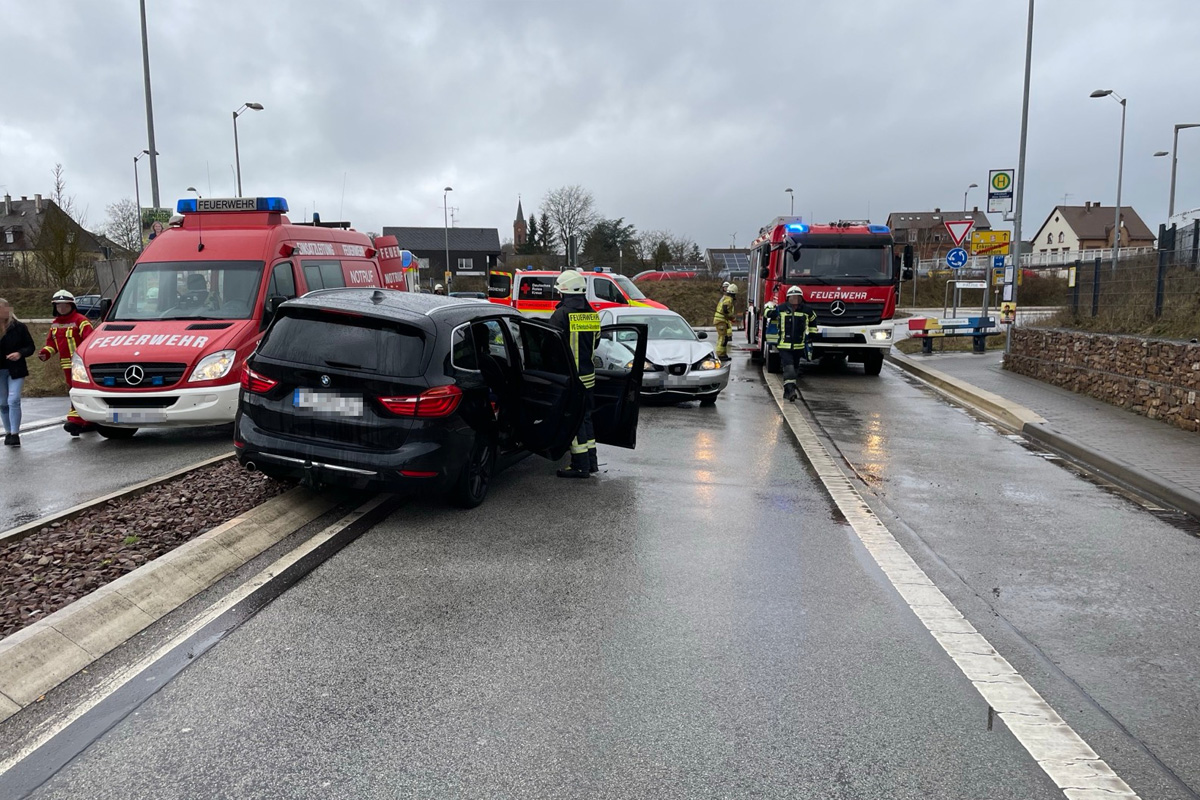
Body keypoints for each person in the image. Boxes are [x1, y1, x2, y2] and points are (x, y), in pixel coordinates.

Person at [549, 269, 600, 478]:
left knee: (574, 421)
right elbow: (596, 342)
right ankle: (591, 461)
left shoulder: (561, 315)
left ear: (565, 291)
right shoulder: (592, 314)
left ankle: (580, 465)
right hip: (588, 378)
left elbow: (550, 347)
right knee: (585, 419)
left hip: (569, 379)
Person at [37, 290, 96, 436]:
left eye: (64, 305)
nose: (61, 308)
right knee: (72, 390)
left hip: (80, 364)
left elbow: (90, 341)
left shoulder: (81, 321)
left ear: (71, 305)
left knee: (78, 390)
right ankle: (86, 420)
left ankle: (76, 420)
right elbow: (52, 343)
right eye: (58, 306)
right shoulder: (55, 324)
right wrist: (45, 353)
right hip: (66, 364)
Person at [767, 285, 818, 402]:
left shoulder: (806, 310)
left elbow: (813, 320)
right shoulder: (781, 309)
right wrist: (768, 307)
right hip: (784, 346)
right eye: (792, 298)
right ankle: (791, 391)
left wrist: (812, 334)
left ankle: (787, 390)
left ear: (801, 298)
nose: (795, 301)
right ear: (788, 298)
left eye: (797, 298)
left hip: (799, 346)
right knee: (789, 367)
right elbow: (768, 314)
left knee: (794, 369)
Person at [0, 297, 36, 447]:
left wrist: (20, 353)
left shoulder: (19, 327)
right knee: (2, 403)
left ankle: (15, 433)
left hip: (16, 368)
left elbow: (30, 346)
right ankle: (8, 432)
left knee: (13, 400)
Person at [713, 282, 737, 359]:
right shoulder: (728, 299)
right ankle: (720, 354)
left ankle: (722, 354)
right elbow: (725, 309)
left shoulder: (725, 297)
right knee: (723, 338)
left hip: (720, 320)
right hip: (721, 320)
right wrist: (732, 317)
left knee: (722, 337)